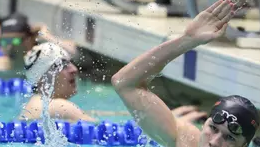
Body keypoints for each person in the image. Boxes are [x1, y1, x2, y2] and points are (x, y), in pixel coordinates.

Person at [58, 0, 260, 147]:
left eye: (229, 138)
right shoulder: (186, 143)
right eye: (213, 128)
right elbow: (124, 83)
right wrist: (187, 40)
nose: (214, 142)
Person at [19, 42, 209, 124]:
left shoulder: (39, 105)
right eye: (62, 65)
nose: (74, 69)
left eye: (71, 63)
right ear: (43, 78)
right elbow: (108, 133)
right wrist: (168, 122)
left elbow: (98, 117)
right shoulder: (60, 106)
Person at [0, 12, 77, 72]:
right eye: (5, 41)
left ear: (29, 40)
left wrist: (45, 35)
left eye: (15, 41)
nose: (9, 47)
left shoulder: (43, 62)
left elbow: (72, 52)